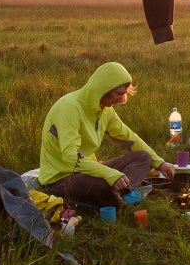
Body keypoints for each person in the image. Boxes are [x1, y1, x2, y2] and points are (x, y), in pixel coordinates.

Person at [38, 61, 175, 209]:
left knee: (143, 157)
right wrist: (108, 174)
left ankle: (116, 195)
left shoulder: (104, 110)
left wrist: (160, 163)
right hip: (61, 180)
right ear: (104, 89)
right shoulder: (70, 108)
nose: (122, 99)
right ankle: (116, 197)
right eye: (119, 94)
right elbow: (70, 157)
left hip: (87, 172)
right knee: (104, 182)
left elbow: (129, 137)